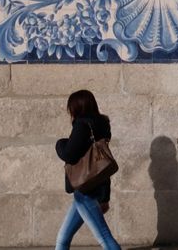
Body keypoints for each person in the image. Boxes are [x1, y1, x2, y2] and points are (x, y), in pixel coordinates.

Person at [53, 88, 120, 250]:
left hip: (85, 191)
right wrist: (105, 197)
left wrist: (59, 143)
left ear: (77, 107)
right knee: (62, 238)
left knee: (105, 238)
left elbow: (70, 154)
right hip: (96, 186)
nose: (69, 111)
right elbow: (101, 165)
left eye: (70, 107)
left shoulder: (82, 125)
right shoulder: (102, 124)